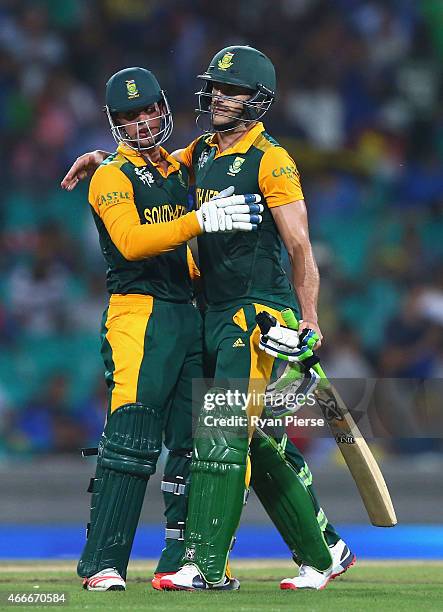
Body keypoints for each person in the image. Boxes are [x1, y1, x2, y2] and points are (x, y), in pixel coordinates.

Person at [62, 46, 355, 591]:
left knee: (222, 434)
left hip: (255, 314)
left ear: (257, 101)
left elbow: (302, 249)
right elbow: (141, 198)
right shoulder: (198, 154)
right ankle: (324, 549)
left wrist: (308, 319)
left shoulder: (271, 159)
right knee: (245, 438)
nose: (220, 97)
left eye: (233, 91)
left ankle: (203, 564)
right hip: (201, 315)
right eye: (216, 88)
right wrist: (105, 160)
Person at [73, 65, 263, 592]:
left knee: (190, 442)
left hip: (187, 312)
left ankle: (181, 560)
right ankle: (101, 565)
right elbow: (132, 242)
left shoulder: (177, 166)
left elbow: (219, 148)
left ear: (164, 108)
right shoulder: (111, 176)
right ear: (115, 124)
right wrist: (201, 221)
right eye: (129, 116)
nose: (142, 122)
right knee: (132, 438)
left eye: (149, 110)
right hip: (138, 313)